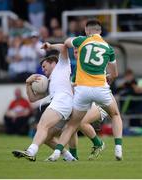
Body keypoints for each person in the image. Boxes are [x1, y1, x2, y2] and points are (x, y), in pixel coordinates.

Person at [48, 19, 123, 161]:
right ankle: (118, 148)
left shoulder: (82, 41)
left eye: (77, 51)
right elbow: (115, 74)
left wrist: (75, 40)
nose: (76, 53)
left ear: (87, 31)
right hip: (100, 91)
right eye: (75, 52)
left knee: (74, 124)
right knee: (115, 115)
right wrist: (109, 77)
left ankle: (58, 152)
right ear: (100, 31)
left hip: (87, 95)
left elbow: (67, 42)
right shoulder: (108, 48)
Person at [12, 42, 75, 161]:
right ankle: (69, 158)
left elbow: (63, 47)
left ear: (53, 63)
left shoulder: (62, 65)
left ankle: (31, 151)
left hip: (62, 101)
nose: (42, 69)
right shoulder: (49, 82)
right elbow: (32, 99)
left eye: (44, 66)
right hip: (64, 106)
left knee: (42, 125)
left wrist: (50, 46)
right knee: (46, 137)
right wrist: (28, 83)